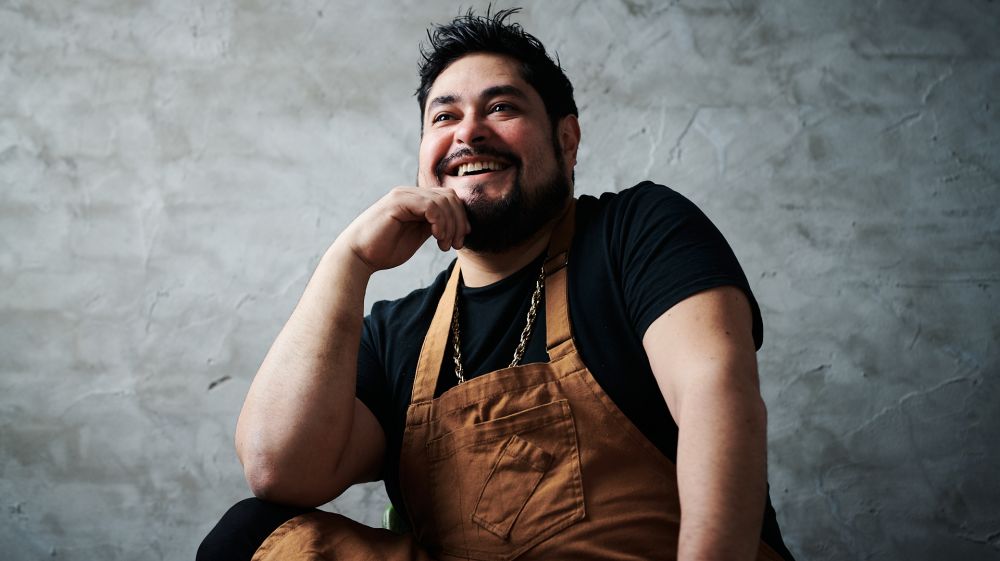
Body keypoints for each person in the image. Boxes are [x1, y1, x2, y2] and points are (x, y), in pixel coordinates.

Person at [199, 8, 795, 561]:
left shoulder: (635, 231)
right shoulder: (395, 333)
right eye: (445, 116)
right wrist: (348, 260)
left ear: (567, 140)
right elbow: (278, 468)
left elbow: (715, 397)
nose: (469, 134)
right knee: (252, 535)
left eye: (502, 108)